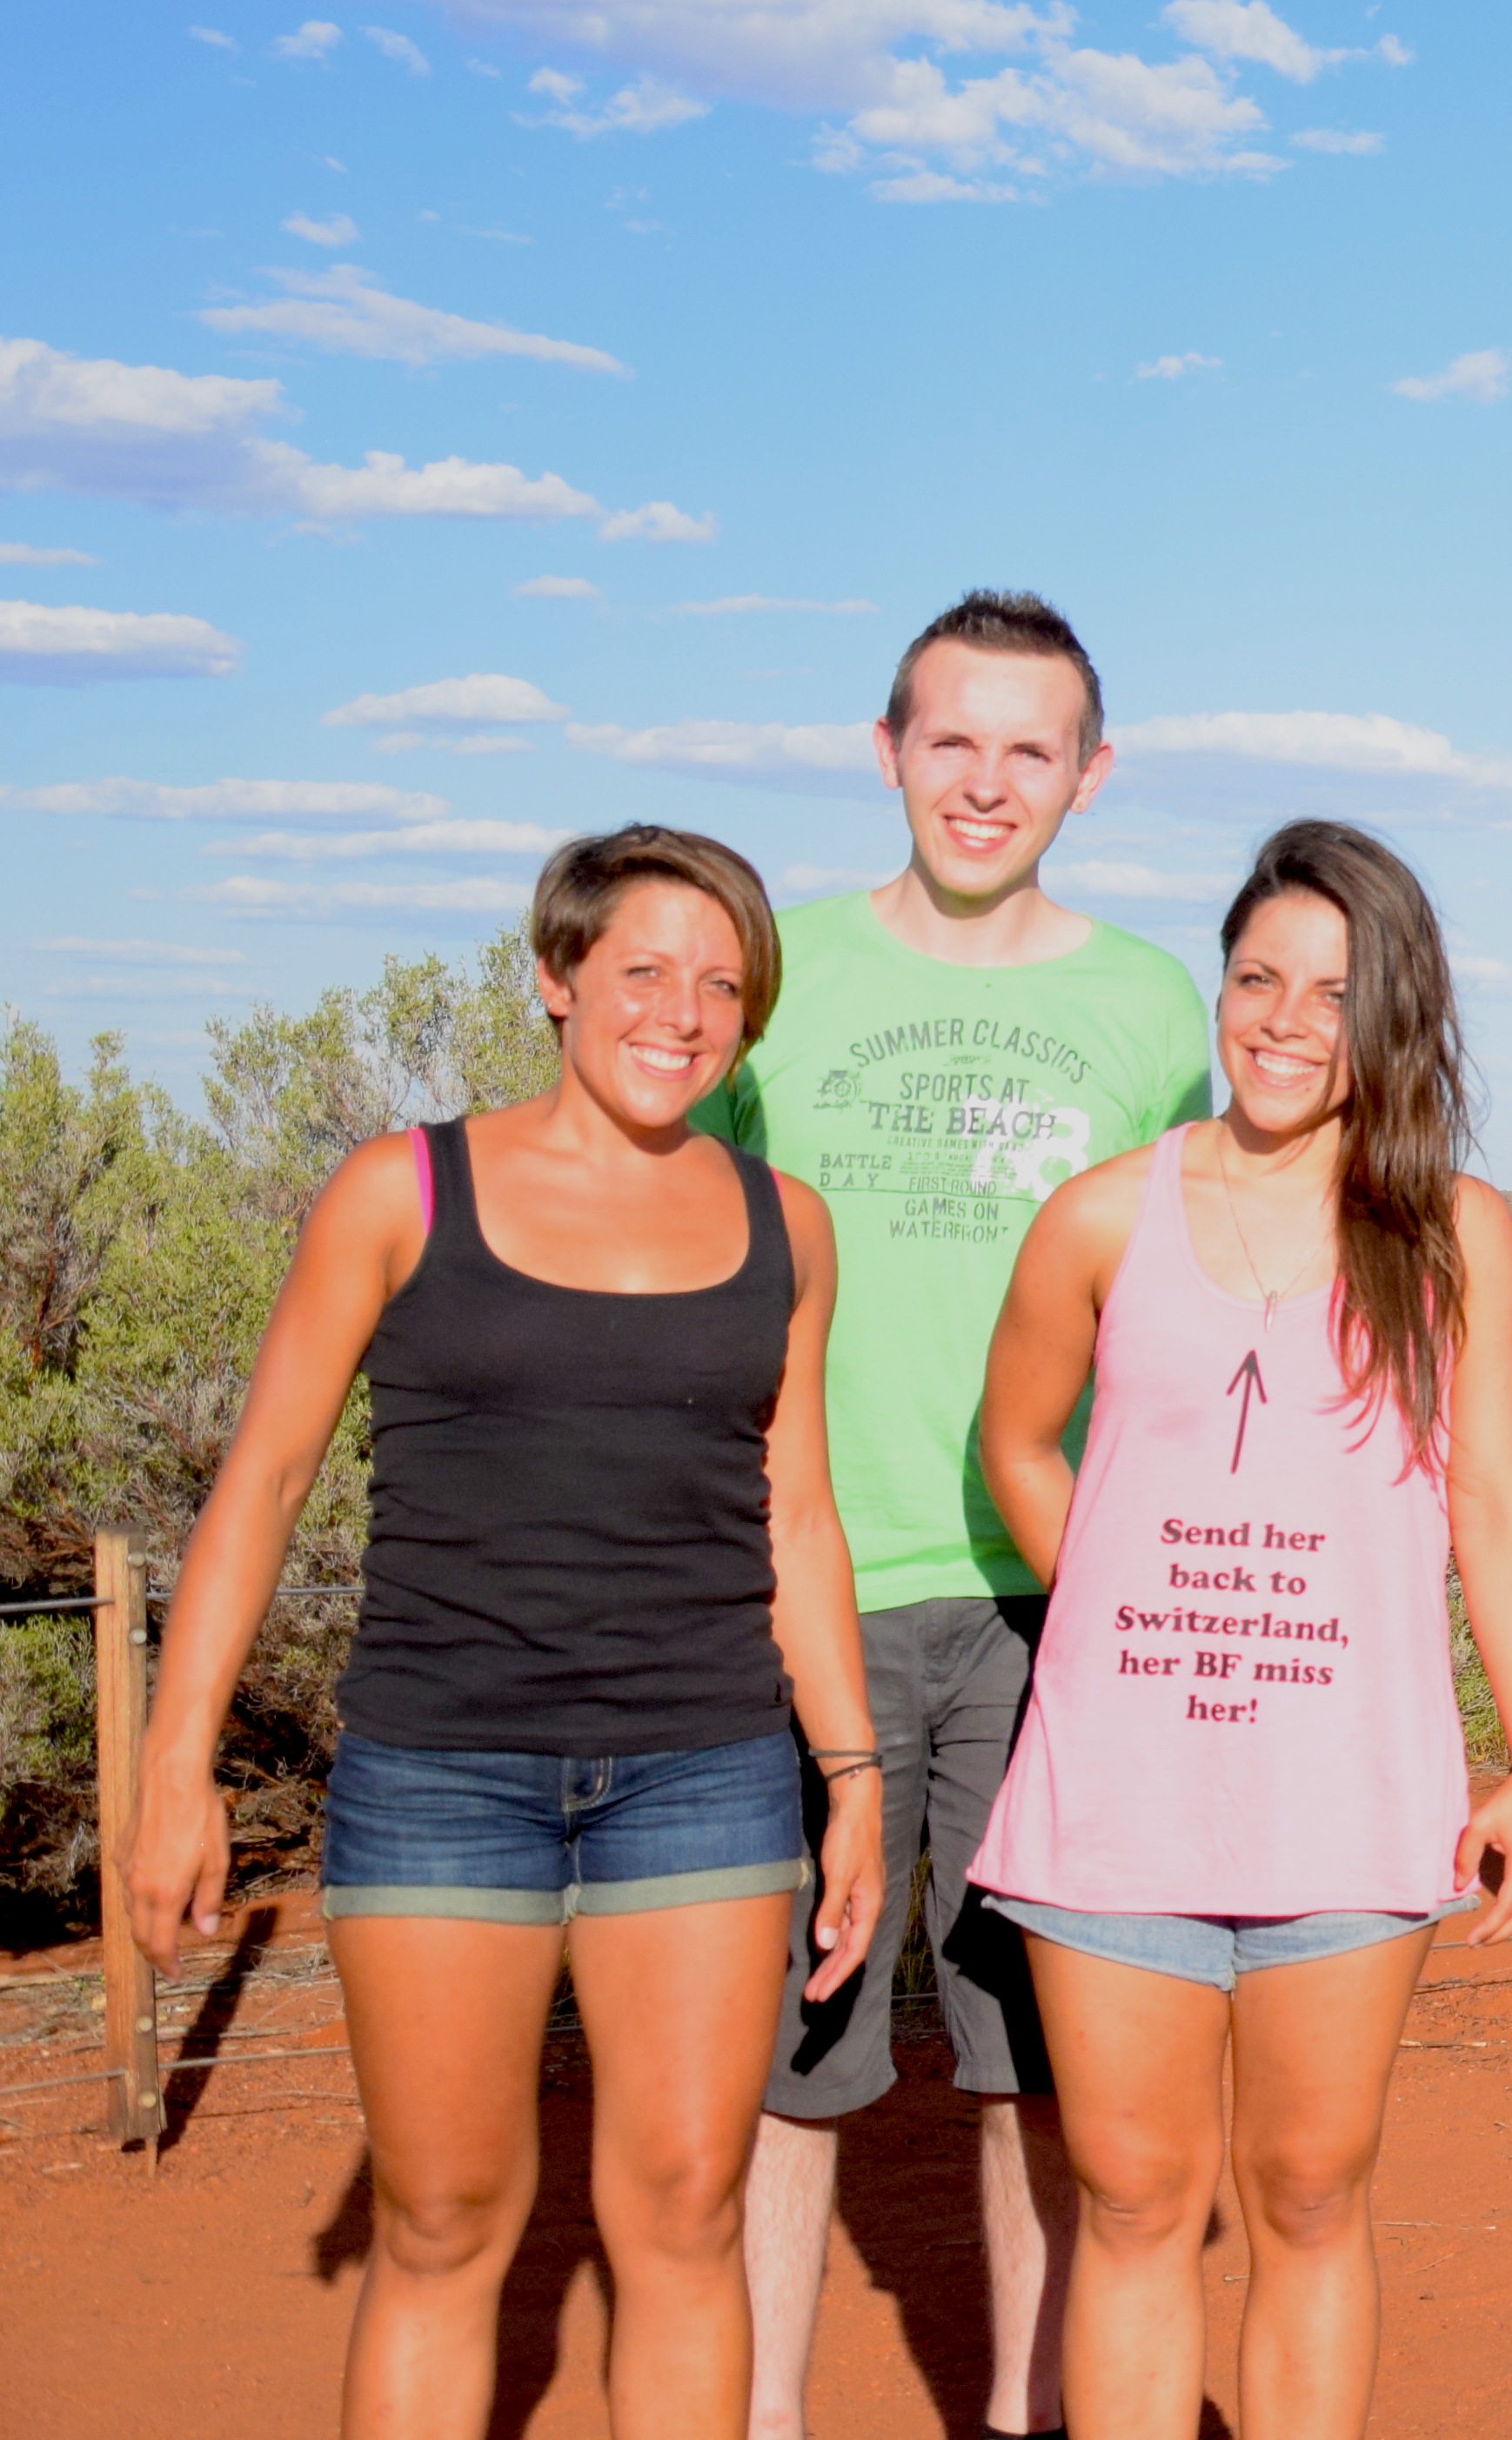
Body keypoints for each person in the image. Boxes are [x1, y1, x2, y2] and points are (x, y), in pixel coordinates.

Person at [129, 828, 888, 2440]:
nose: (683, 1012)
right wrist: (175, 1766)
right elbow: (261, 1483)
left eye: (723, 983)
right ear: (555, 980)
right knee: (444, 2222)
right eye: (643, 971)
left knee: (685, 2222)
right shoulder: (402, 1192)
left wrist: (853, 1768)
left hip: (708, 1770)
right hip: (437, 1769)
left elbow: (799, 1518)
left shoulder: (790, 1227)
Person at [963, 817, 1512, 2440]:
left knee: (1307, 2194)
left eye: (1332, 992)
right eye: (1257, 979)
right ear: (1220, 990)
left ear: (1395, 1020)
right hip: (1122, 1802)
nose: (1286, 1021)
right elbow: (1016, 1437)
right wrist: (1099, 1598)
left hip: (1352, 1794)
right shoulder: (1102, 1216)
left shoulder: (1453, 1233)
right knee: (1138, 2198)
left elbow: (1492, 1500)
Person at [703, 592, 1213, 2440]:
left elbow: (1196, 1285)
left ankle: (1025, 2411)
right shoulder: (781, 980)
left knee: (1034, 2063)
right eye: (952, 739)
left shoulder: (1152, 1005)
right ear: (886, 749)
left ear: (1090, 773)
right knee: (784, 2056)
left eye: (1030, 748)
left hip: (1041, 1603)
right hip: (795, 1589)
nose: (985, 782)